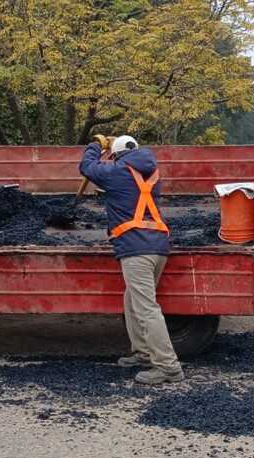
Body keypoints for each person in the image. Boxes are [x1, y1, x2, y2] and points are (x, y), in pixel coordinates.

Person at [79, 134, 184, 384]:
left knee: (147, 308)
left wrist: (96, 145)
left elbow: (86, 166)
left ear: (116, 155)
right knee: (132, 300)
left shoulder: (117, 172)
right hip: (158, 246)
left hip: (137, 249)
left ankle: (168, 366)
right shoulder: (151, 171)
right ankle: (143, 353)